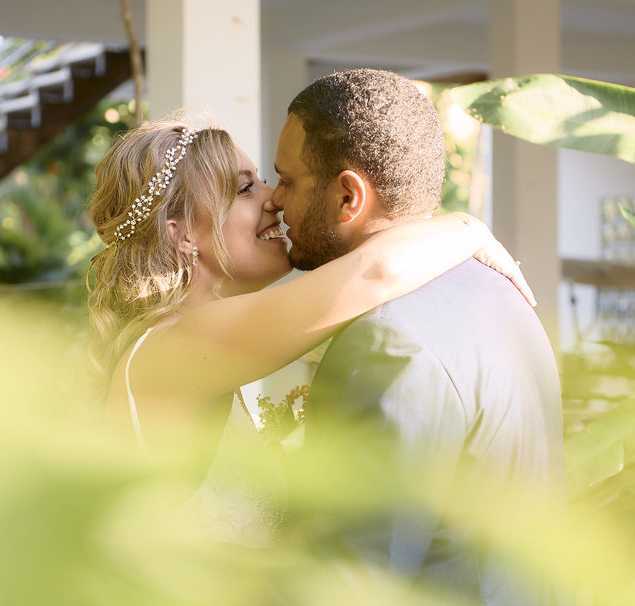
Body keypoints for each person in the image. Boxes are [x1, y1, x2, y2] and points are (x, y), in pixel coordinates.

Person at [268, 69, 584, 606]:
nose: (275, 200)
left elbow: (351, 594)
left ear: (348, 196)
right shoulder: (504, 296)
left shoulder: (387, 341)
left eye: (287, 181)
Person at [85, 117, 530, 546]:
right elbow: (374, 273)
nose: (273, 199)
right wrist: (468, 228)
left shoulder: (192, 342)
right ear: (181, 233)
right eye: (244, 188)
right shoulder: (177, 347)